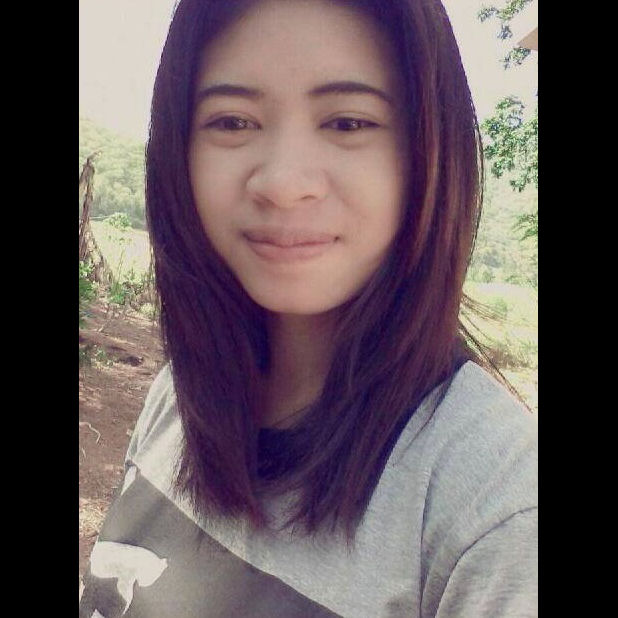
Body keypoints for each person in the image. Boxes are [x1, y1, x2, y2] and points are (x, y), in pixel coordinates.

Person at [79, 0, 538, 616]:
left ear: (430, 150)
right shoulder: (180, 394)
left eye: (348, 123)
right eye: (233, 122)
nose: (283, 183)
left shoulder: (498, 508)